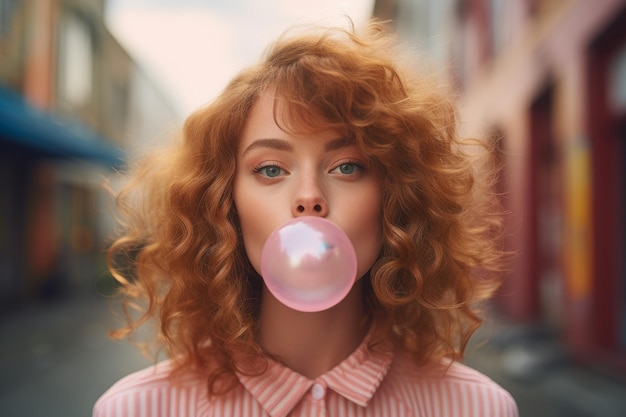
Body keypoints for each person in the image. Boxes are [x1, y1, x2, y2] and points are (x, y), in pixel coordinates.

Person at [94, 19, 518, 417]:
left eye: (347, 167)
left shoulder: (477, 407)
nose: (309, 198)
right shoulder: (137, 408)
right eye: (271, 169)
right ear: (225, 204)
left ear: (396, 199)